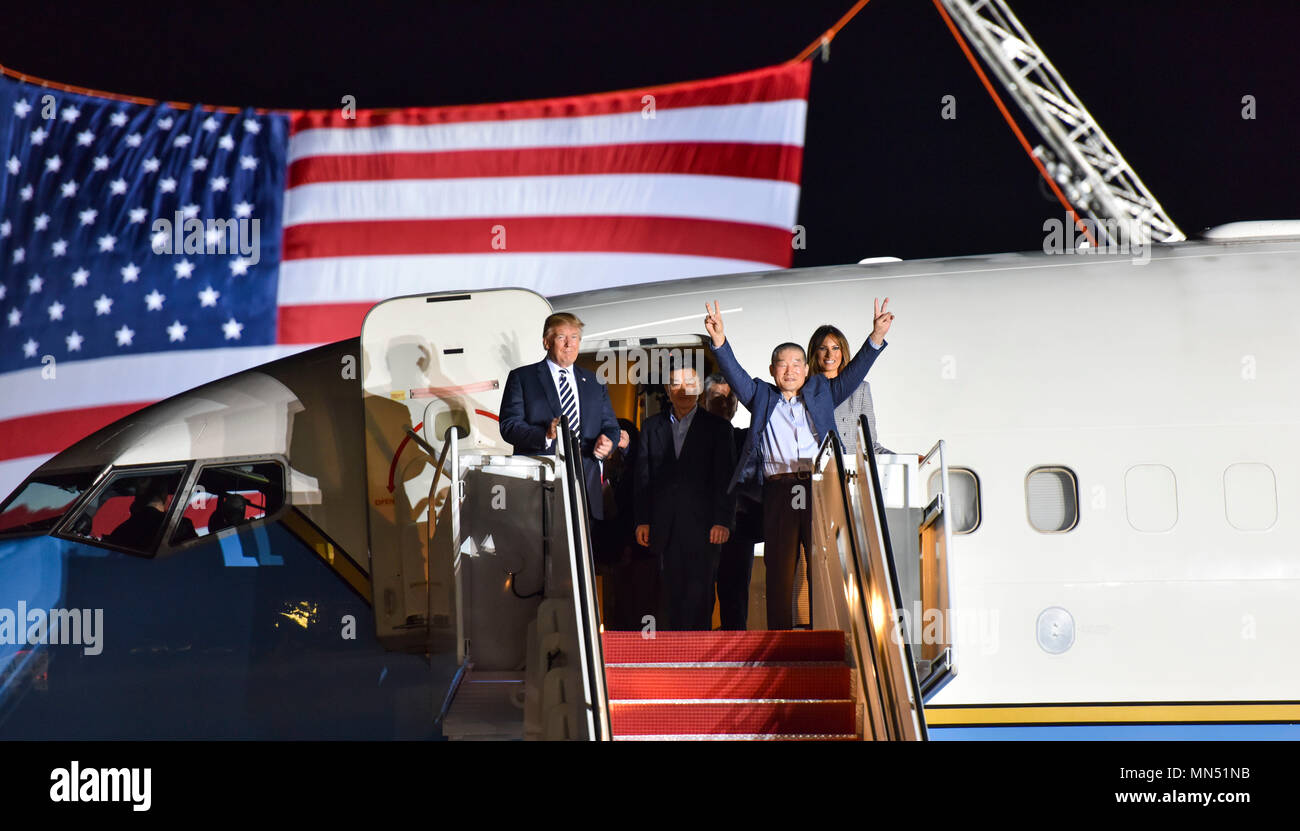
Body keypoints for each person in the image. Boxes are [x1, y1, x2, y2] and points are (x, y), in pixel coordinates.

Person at [703, 298, 894, 630]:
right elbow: (734, 374)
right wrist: (719, 340)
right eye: (782, 364)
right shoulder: (760, 395)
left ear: (807, 370)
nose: (789, 370)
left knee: (822, 564)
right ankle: (780, 640)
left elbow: (853, 375)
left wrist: (875, 337)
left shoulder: (821, 391)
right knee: (780, 569)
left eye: (796, 364)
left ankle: (823, 635)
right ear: (772, 370)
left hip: (818, 488)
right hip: (778, 491)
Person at [634, 364, 736, 631]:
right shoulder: (650, 427)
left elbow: (725, 479)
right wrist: (642, 520)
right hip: (662, 525)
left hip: (704, 527)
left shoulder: (718, 428)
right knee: (666, 596)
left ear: (699, 388)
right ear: (667, 390)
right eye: (675, 384)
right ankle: (667, 659)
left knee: (699, 595)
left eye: (689, 383)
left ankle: (696, 660)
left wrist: (722, 520)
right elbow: (643, 477)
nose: (682, 390)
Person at [499, 312, 621, 519]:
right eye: (561, 337)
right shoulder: (523, 378)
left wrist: (609, 442)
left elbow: (611, 426)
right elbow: (509, 426)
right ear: (547, 342)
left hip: (586, 487)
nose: (569, 344)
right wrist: (545, 435)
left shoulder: (594, 382)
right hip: (540, 485)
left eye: (574, 337)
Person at [702, 373, 763, 630]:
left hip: (739, 532)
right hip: (700, 532)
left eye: (731, 398)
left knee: (735, 603)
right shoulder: (691, 437)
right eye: (717, 397)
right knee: (699, 601)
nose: (725, 404)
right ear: (704, 400)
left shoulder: (748, 439)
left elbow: (757, 483)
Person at [808, 324, 893, 457]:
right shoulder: (805, 390)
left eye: (835, 348)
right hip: (815, 471)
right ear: (814, 353)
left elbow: (870, 446)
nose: (830, 354)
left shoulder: (861, 389)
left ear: (843, 351)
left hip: (850, 473)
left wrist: (908, 459)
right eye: (823, 348)